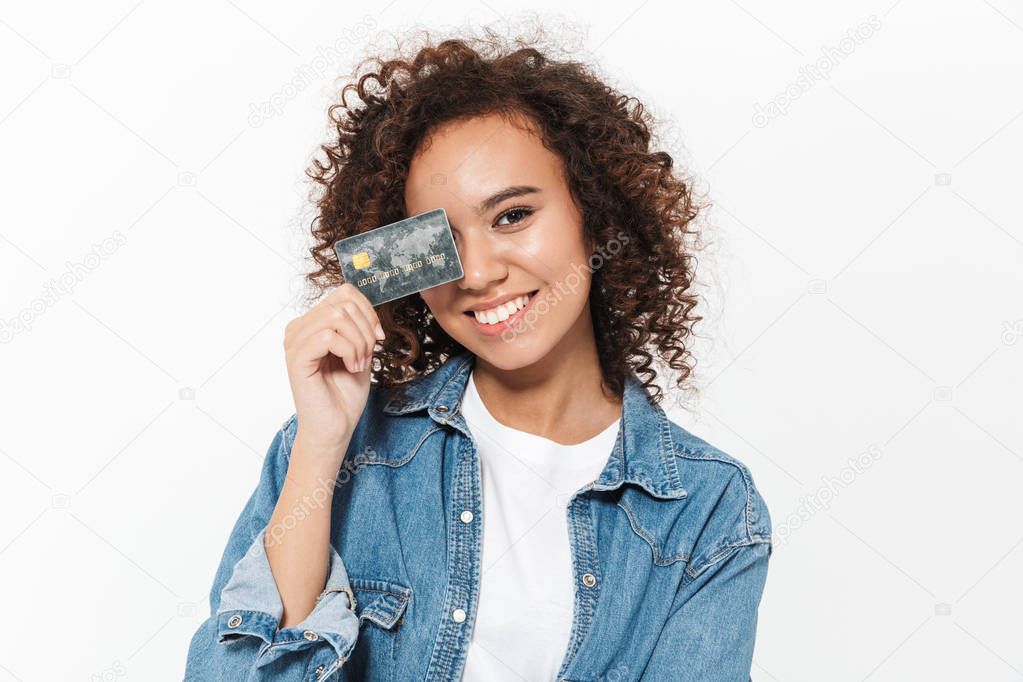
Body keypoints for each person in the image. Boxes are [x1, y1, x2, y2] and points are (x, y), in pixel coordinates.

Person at [184, 27, 773, 682]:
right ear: (404, 261)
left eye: (512, 216)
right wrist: (323, 446)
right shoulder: (339, 450)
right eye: (442, 242)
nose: (478, 273)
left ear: (595, 213)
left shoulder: (706, 505)